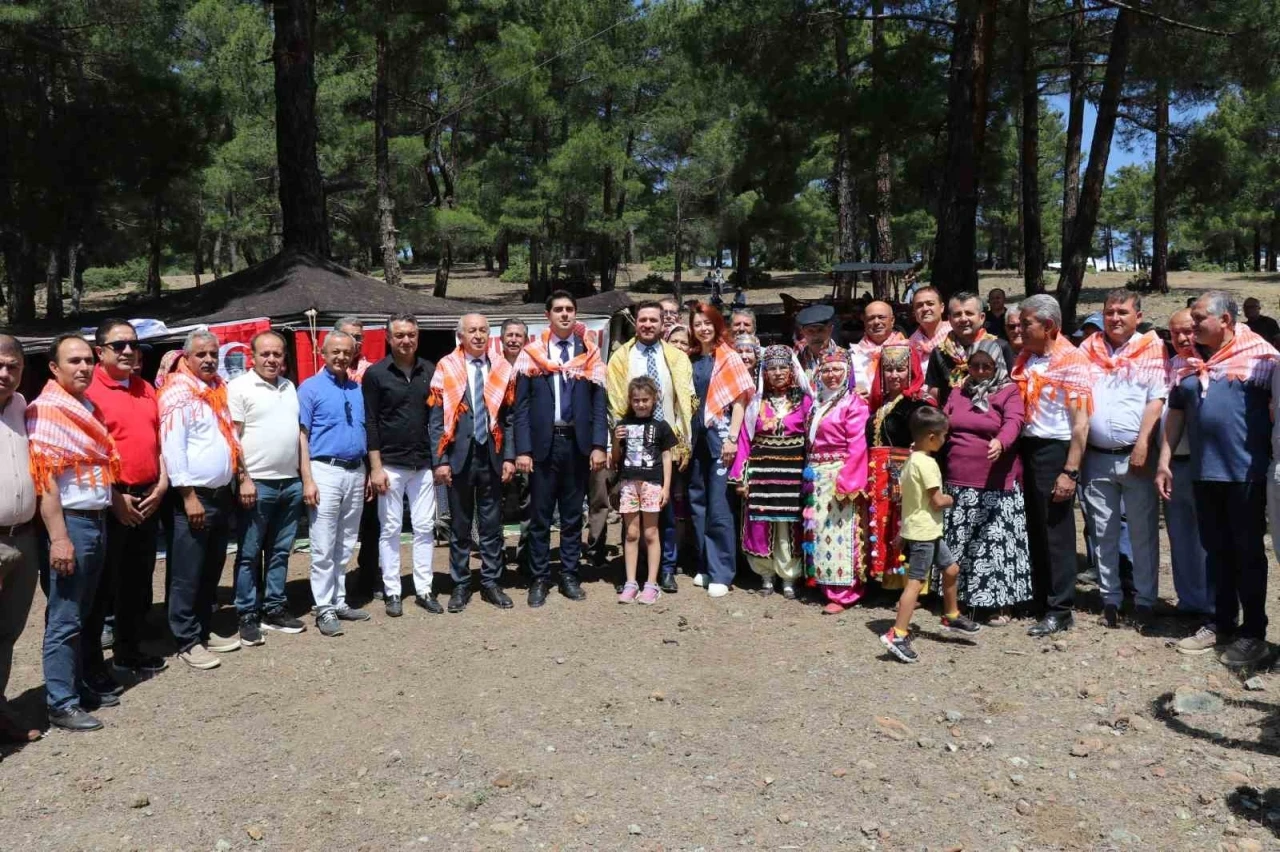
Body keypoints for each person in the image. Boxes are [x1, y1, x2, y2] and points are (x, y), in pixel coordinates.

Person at [1157, 291, 1277, 668]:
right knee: (1216, 552)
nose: (1191, 326)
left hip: (1245, 474)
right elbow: (1177, 413)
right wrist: (1164, 461)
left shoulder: (1262, 358)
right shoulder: (1187, 361)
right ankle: (1221, 623)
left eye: (1198, 319)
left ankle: (1253, 633)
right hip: (1204, 472)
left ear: (1225, 320)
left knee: (1248, 555)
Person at [26, 335, 123, 732]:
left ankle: (77, 686)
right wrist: (60, 538)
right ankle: (60, 702)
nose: (83, 367)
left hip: (95, 519)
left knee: (86, 612)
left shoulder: (87, 407)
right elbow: (45, 482)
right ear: (54, 368)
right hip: (70, 523)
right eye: (74, 361)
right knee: (65, 616)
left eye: (87, 360)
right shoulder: (46, 410)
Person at [83, 320, 168, 678]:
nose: (128, 351)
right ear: (99, 352)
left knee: (138, 581)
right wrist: (114, 496)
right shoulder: (87, 392)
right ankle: (93, 669)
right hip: (111, 501)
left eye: (133, 344)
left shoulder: (145, 388)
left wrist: (162, 483)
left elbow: (158, 441)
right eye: (118, 346)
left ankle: (129, 652)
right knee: (103, 587)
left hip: (149, 496)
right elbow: (86, 453)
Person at [1078, 291, 1167, 630]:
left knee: (1143, 532)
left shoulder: (1152, 347)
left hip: (1136, 456)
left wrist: (1143, 442)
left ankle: (1145, 600)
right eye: (1109, 312)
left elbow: (1156, 399)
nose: (1115, 318)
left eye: (1122, 312)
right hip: (1096, 457)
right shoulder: (1088, 349)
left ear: (1138, 316)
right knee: (1103, 532)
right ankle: (1110, 598)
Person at [514, 291, 609, 607]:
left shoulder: (589, 353)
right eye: (558, 309)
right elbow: (521, 408)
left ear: (576, 314)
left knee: (571, 516)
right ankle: (539, 578)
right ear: (548, 315)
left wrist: (599, 445)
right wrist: (523, 450)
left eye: (570, 309)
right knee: (540, 517)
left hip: (577, 445)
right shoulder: (533, 354)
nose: (565, 314)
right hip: (543, 446)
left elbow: (599, 404)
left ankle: (569, 574)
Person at [1011, 294, 1094, 637]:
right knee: (1034, 528)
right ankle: (1041, 597)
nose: (1019, 328)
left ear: (1047, 326)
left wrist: (1070, 471)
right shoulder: (1027, 358)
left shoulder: (1071, 360)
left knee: (1055, 533)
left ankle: (1060, 608)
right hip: (1028, 447)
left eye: (1026, 323)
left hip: (1054, 450)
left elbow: (1081, 424)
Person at [160, 330, 242, 670]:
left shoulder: (217, 389)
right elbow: (173, 447)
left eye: (213, 354)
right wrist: (188, 496)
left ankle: (203, 629)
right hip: (194, 497)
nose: (208, 359)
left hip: (220, 496)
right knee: (187, 572)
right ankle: (186, 640)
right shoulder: (177, 393)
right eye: (201, 354)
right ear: (186, 357)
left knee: (210, 569)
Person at [428, 314, 517, 613]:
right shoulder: (446, 366)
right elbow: (436, 420)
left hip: (492, 454)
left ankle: (491, 582)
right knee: (460, 525)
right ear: (461, 336)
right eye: (472, 331)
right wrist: (440, 460)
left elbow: (509, 418)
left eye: (483, 330)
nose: (478, 335)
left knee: (492, 525)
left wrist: (509, 457)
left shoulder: (501, 367)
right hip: (458, 456)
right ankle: (461, 584)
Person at [880, 407, 981, 663]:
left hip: (927, 531)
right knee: (915, 582)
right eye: (945, 435)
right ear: (932, 437)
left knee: (951, 569)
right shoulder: (928, 464)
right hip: (924, 533)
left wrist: (903, 533)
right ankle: (898, 634)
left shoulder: (911, 460)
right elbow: (936, 501)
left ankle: (951, 615)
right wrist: (952, 498)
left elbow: (911, 501)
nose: (946, 440)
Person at [605, 302, 694, 593]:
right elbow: (615, 402)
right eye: (642, 319)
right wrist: (617, 440)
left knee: (664, 511)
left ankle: (665, 569)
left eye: (653, 320)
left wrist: (683, 441)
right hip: (632, 448)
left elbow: (685, 402)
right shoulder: (621, 357)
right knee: (630, 515)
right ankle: (633, 573)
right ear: (636, 322)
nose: (647, 324)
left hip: (666, 442)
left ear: (662, 323)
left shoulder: (676, 357)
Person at [227, 331, 307, 646]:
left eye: (277, 354)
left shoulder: (289, 387)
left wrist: (303, 478)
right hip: (256, 483)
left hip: (290, 482)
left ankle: (274, 607)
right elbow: (233, 439)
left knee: (280, 551)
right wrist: (243, 478)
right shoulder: (239, 387)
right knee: (249, 553)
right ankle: (247, 613)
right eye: (265, 354)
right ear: (253, 356)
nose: (271, 359)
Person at [942, 348, 1031, 624]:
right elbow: (944, 421)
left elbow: (1015, 421)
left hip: (995, 482)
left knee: (993, 544)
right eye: (975, 365)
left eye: (987, 366)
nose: (980, 371)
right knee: (962, 544)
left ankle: (999, 605)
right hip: (958, 481)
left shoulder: (1008, 392)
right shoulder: (958, 392)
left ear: (998, 366)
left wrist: (1001, 442)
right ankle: (960, 601)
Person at [363, 314, 438, 616]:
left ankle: (424, 589)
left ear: (417, 336)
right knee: (390, 528)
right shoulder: (376, 374)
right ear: (388, 338)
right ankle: (392, 590)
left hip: (423, 464)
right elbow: (370, 422)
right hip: (390, 464)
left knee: (425, 528)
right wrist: (375, 467)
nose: (406, 340)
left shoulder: (430, 370)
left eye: (411, 334)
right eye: (399, 335)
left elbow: (437, 419)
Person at [299, 332, 371, 637]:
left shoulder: (357, 389)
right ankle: (323, 606)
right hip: (324, 470)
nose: (341, 357)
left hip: (355, 470)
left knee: (346, 540)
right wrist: (307, 479)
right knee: (324, 542)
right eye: (335, 352)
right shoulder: (310, 388)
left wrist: (367, 472)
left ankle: (338, 599)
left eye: (347, 352)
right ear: (322, 353)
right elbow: (301, 436)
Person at [685, 302, 754, 598]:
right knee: (697, 501)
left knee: (718, 504)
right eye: (697, 324)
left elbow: (740, 399)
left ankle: (722, 571)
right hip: (694, 438)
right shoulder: (690, 358)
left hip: (719, 436)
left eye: (707, 323)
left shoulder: (728, 356)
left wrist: (732, 438)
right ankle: (705, 563)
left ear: (717, 325)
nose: (703, 329)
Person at [730, 346, 809, 599]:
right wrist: (742, 477)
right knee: (761, 523)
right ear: (764, 372)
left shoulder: (805, 401)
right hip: (762, 472)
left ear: (791, 370)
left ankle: (789, 576)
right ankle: (765, 575)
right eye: (772, 368)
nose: (777, 372)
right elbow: (745, 439)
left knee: (788, 525)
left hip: (793, 474)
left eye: (783, 367)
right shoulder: (756, 402)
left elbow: (812, 439)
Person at [803, 350, 871, 611]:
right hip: (817, 474)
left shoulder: (854, 404)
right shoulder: (819, 402)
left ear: (848, 373)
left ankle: (844, 591)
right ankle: (824, 582)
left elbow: (857, 444)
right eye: (827, 370)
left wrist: (848, 480)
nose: (831, 375)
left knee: (840, 532)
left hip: (839, 473)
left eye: (837, 370)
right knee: (820, 532)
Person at [1161, 310, 1213, 631]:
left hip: (1204, 464)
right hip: (1172, 465)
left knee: (1209, 538)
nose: (1181, 338)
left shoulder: (1212, 365)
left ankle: (1214, 606)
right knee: (1180, 537)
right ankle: (1189, 601)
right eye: (1174, 333)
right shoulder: (1168, 366)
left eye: (1188, 331)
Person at [866, 344, 935, 586]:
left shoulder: (918, 404)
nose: (894, 375)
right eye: (889, 369)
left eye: (900, 369)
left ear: (911, 370)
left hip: (904, 474)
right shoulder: (881, 403)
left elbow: (929, 441)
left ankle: (914, 586)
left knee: (906, 526)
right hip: (879, 475)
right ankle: (890, 582)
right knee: (886, 525)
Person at [0, 335, 39, 742]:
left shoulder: (20, 405)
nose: (4, 373)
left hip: (23, 538)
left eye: (12, 366)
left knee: (7, 632)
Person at [611, 377, 676, 605]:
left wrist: (666, 487)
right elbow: (616, 459)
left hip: (652, 484)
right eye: (636, 400)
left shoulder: (661, 426)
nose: (640, 404)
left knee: (651, 533)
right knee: (631, 533)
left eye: (645, 400)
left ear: (654, 399)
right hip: (629, 483)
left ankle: (651, 583)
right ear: (630, 400)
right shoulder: (622, 425)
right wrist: (615, 441)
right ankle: (630, 582)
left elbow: (667, 457)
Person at [334, 316, 381, 601]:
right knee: (337, 524)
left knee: (372, 523)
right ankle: (334, 583)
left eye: (359, 337)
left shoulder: (373, 372)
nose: (355, 341)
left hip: (368, 455)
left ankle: (369, 576)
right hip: (336, 459)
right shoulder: (325, 373)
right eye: (349, 335)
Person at [925, 292, 1015, 407]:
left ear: (982, 318)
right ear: (949, 319)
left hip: (992, 414)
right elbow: (934, 393)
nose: (963, 319)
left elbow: (1012, 390)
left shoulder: (999, 347)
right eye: (957, 314)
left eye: (969, 313)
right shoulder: (940, 352)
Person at [500, 319, 532, 571]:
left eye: (518, 335)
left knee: (529, 502)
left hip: (527, 446)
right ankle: (496, 556)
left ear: (526, 339)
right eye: (509, 335)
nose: (513, 339)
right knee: (495, 504)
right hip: (497, 446)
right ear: (501, 339)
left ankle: (526, 556)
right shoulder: (492, 367)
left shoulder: (534, 368)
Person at [851, 300, 908, 392]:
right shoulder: (853, 354)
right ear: (864, 322)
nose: (876, 322)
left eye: (881, 317)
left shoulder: (907, 350)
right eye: (871, 318)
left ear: (892, 320)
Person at [793, 304, 846, 395]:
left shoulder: (845, 357)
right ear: (802, 332)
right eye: (810, 331)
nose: (816, 336)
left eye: (820, 330)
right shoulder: (797, 359)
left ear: (830, 329)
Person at [907, 286, 951, 357]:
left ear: (942, 307)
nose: (925, 309)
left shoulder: (955, 335)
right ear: (914, 312)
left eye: (930, 304)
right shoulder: (911, 343)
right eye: (919, 305)